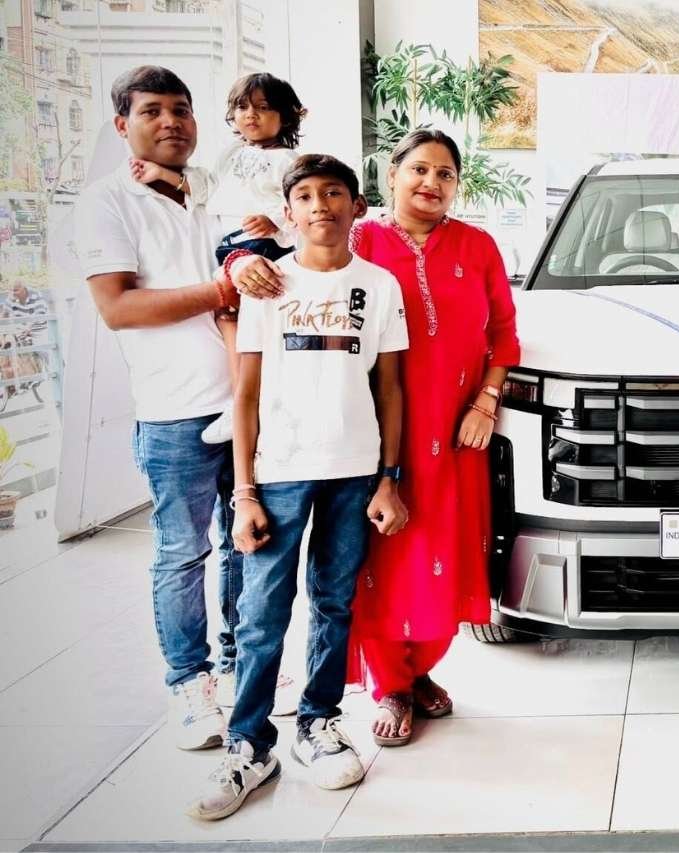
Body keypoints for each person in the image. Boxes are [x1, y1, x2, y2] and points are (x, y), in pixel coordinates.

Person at [232, 129, 521, 748]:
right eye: (419, 169)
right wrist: (238, 263)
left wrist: (486, 401)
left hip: (457, 434)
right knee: (379, 562)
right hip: (372, 436)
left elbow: (504, 330)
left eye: (445, 174)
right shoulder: (359, 237)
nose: (431, 183)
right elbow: (281, 261)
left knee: (445, 553)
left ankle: (420, 669)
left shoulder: (477, 245)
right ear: (390, 176)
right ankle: (390, 682)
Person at [190, 154, 409, 820]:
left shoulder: (379, 285)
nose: (321, 206)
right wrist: (244, 493)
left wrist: (389, 478)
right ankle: (250, 745)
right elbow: (246, 393)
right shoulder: (268, 282)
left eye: (334, 193)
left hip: (354, 470)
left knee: (334, 602)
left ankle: (318, 722)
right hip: (279, 471)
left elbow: (389, 387)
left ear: (357, 206)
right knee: (262, 612)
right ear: (288, 213)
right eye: (306, 196)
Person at [77, 66, 242, 752]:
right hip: (175, 414)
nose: (171, 121)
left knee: (246, 543)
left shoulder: (210, 189)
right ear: (123, 125)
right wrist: (221, 289)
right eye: (152, 110)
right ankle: (189, 682)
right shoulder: (106, 202)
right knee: (182, 552)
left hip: (248, 404)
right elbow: (118, 306)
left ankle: (240, 665)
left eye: (182, 109)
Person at [131, 72, 305, 446]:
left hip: (261, 245)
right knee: (230, 317)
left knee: (242, 319)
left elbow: (299, 202)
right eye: (242, 107)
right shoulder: (229, 154)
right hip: (230, 245)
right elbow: (207, 187)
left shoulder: (288, 160)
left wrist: (274, 221)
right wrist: (161, 173)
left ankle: (245, 403)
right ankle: (242, 401)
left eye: (263, 108)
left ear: (286, 116)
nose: (251, 115)